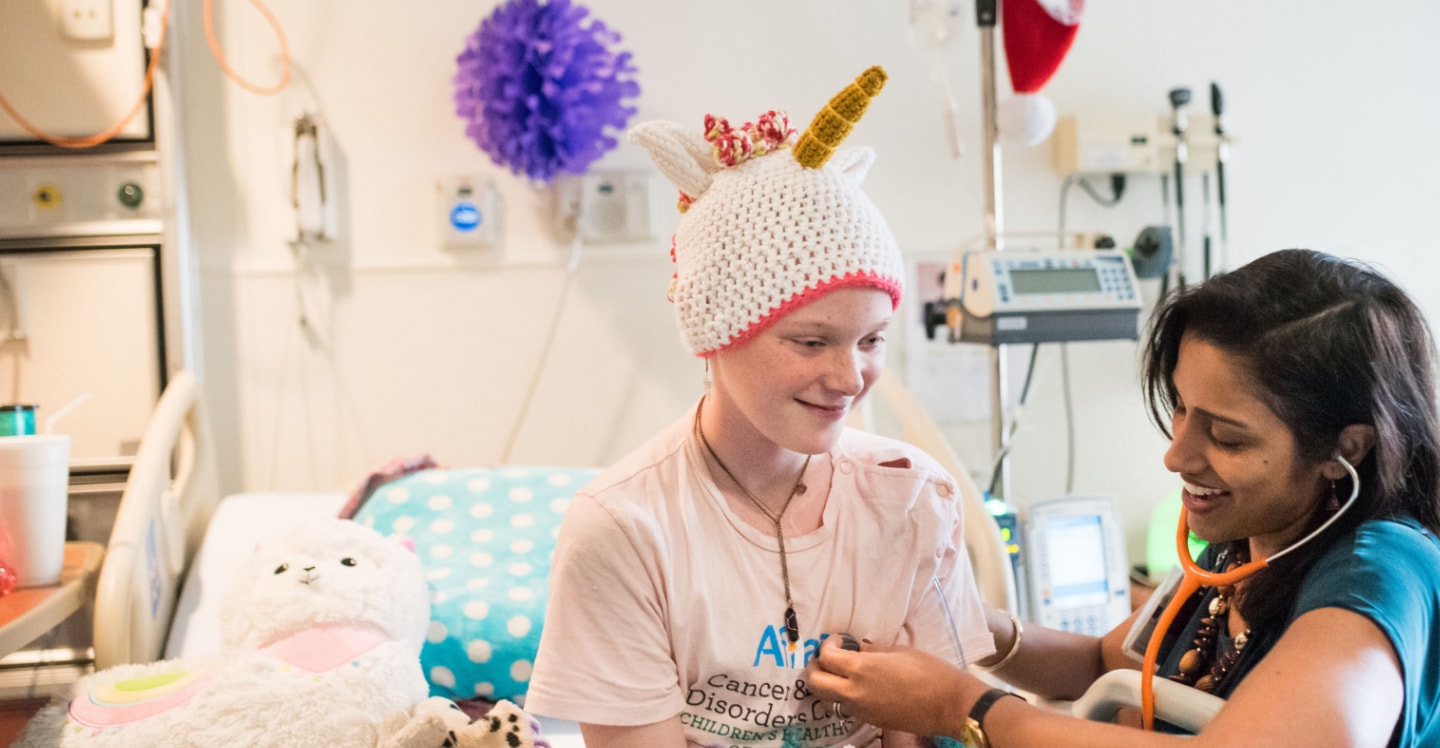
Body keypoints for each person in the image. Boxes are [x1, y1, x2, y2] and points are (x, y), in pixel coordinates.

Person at [525, 66, 996, 748]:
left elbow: (931, 731)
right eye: (810, 341)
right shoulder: (625, 530)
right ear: (715, 331)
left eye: (871, 341)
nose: (848, 376)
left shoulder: (913, 500)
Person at [809, 248, 1440, 747]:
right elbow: (1096, 662)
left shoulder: (1380, 574)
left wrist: (963, 707)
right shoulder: (1248, 543)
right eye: (1181, 410)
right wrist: (960, 621)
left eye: (1225, 435)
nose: (1177, 456)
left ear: (1346, 449)